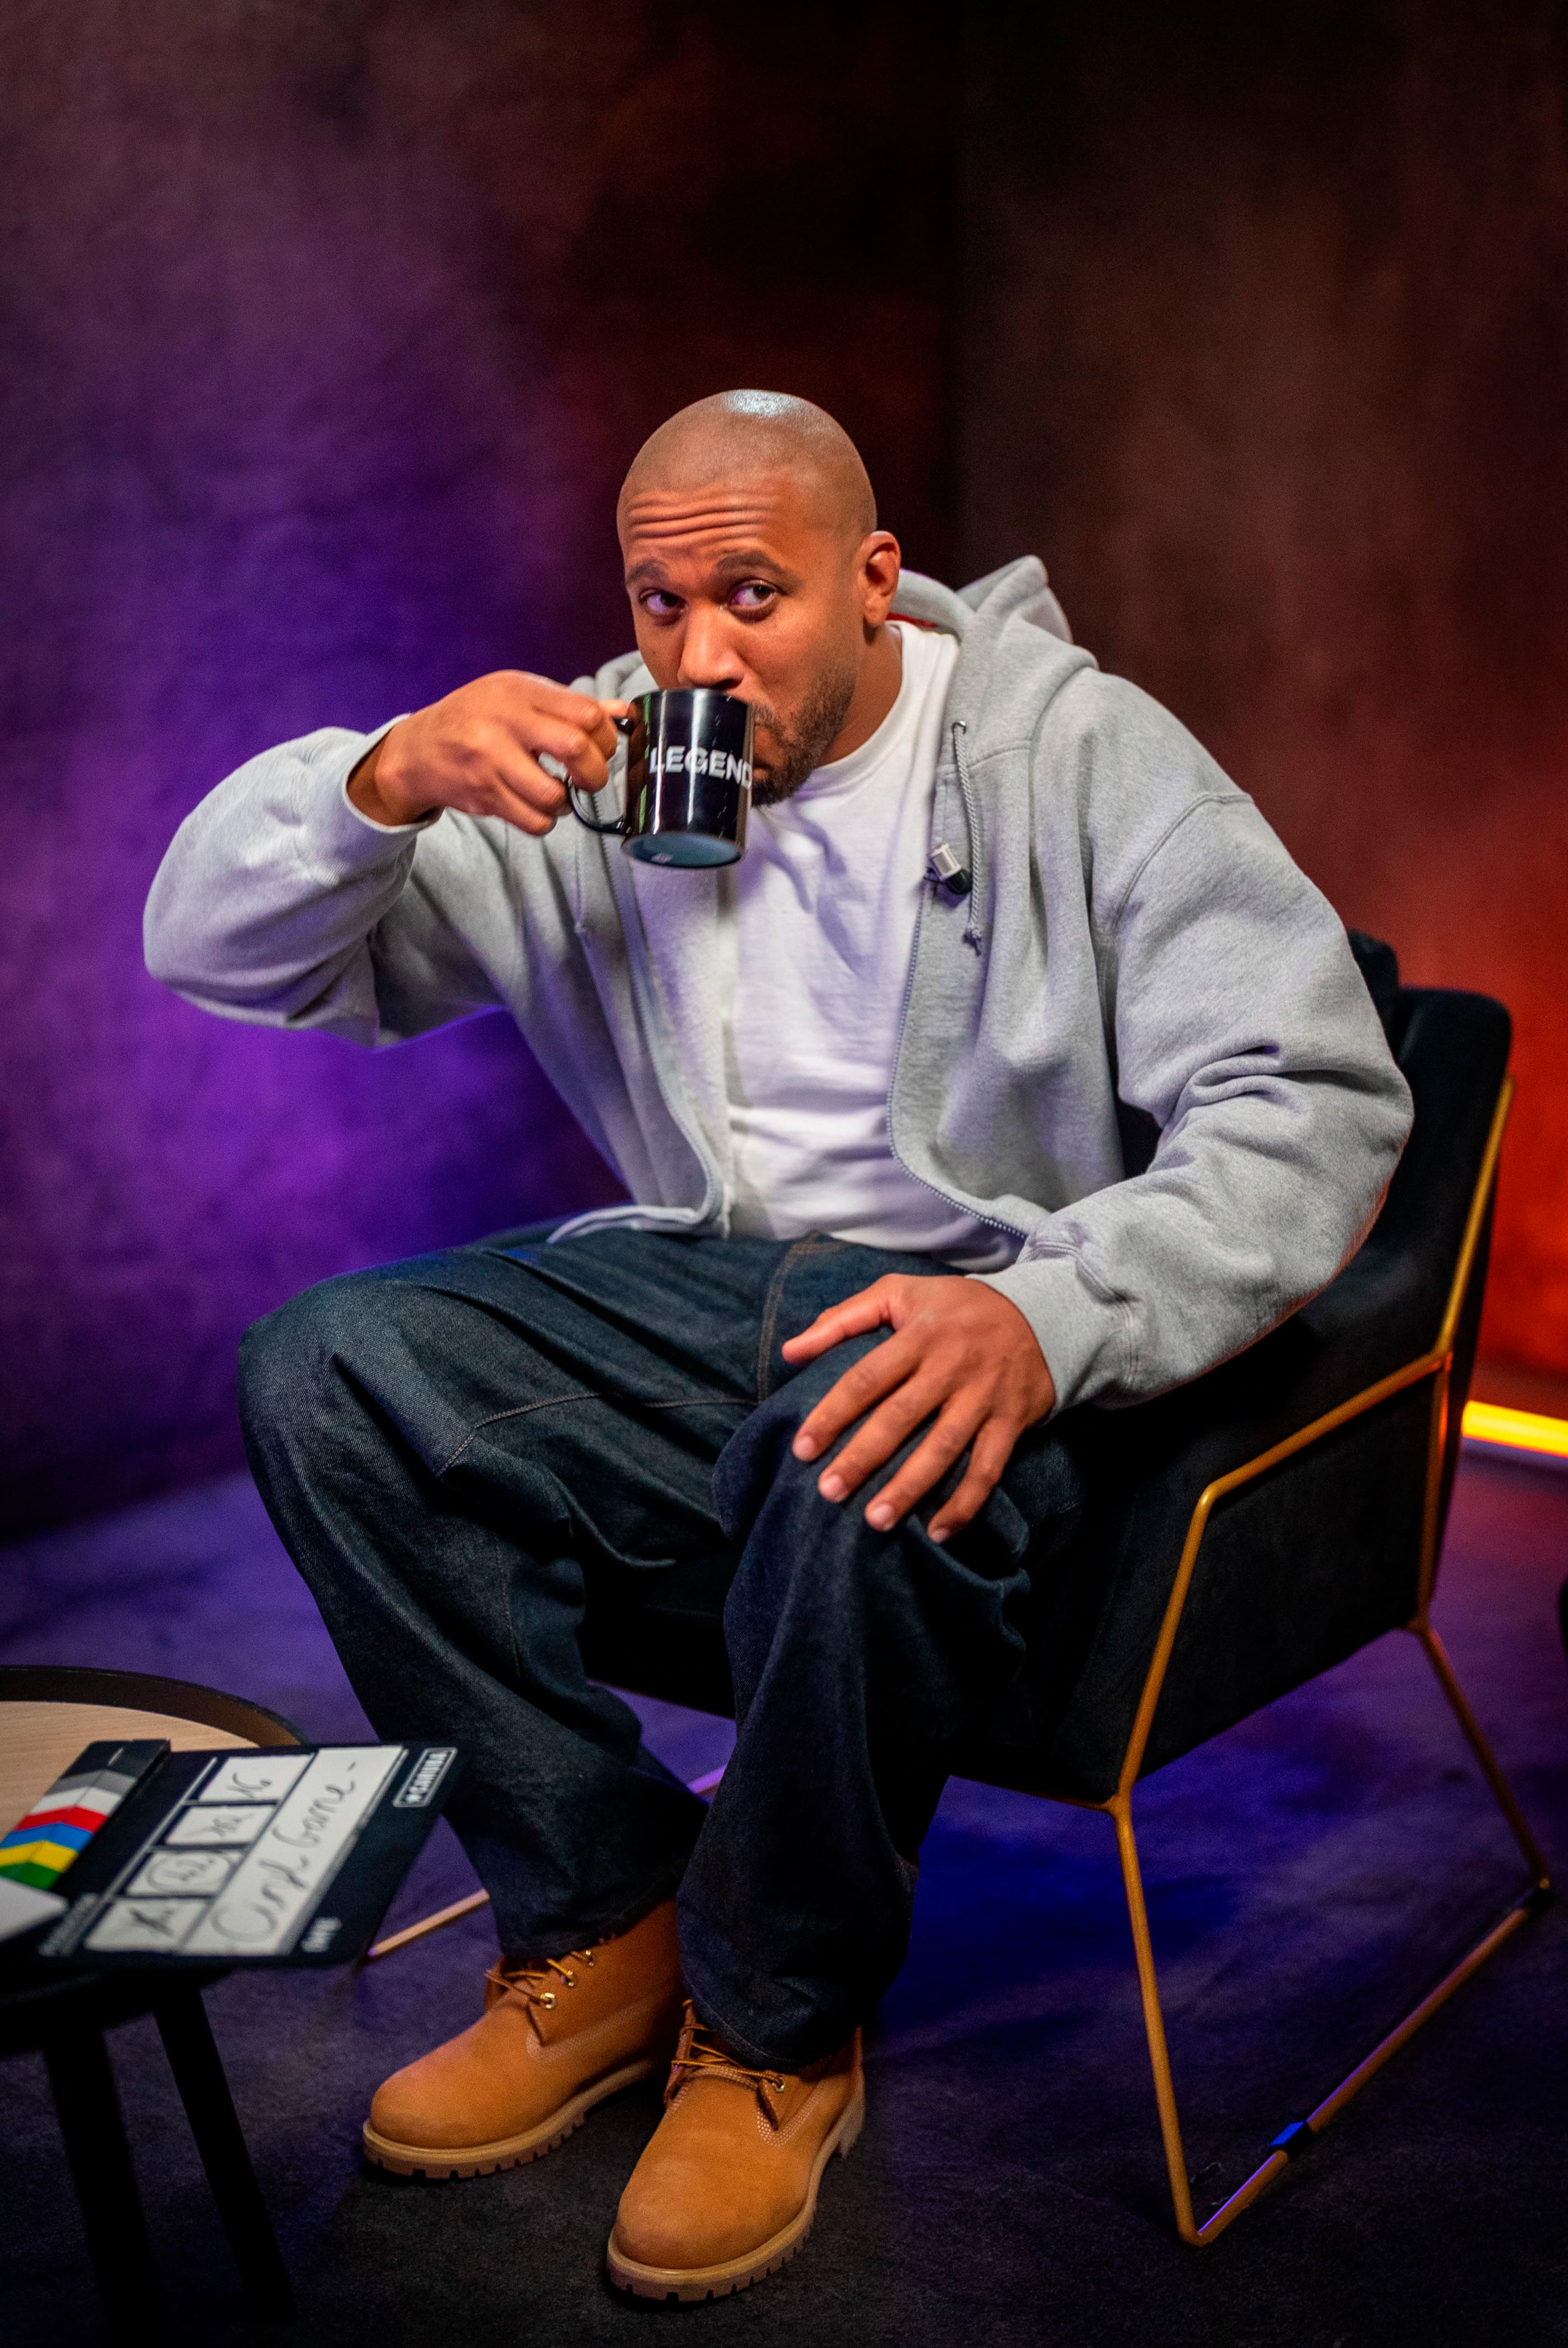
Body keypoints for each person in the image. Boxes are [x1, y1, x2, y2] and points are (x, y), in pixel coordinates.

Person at [144, 390, 1412, 2302]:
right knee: (327, 1368)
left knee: (860, 1423)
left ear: (878, 580)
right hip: (711, 1302)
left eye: (756, 592)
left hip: (996, 1317)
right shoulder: (601, 763)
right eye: (661, 603)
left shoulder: (1075, 753)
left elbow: (1313, 1091)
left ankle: (777, 2018)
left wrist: (1049, 1307)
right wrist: (380, 781)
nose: (700, 655)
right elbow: (215, 956)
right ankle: (602, 1916)